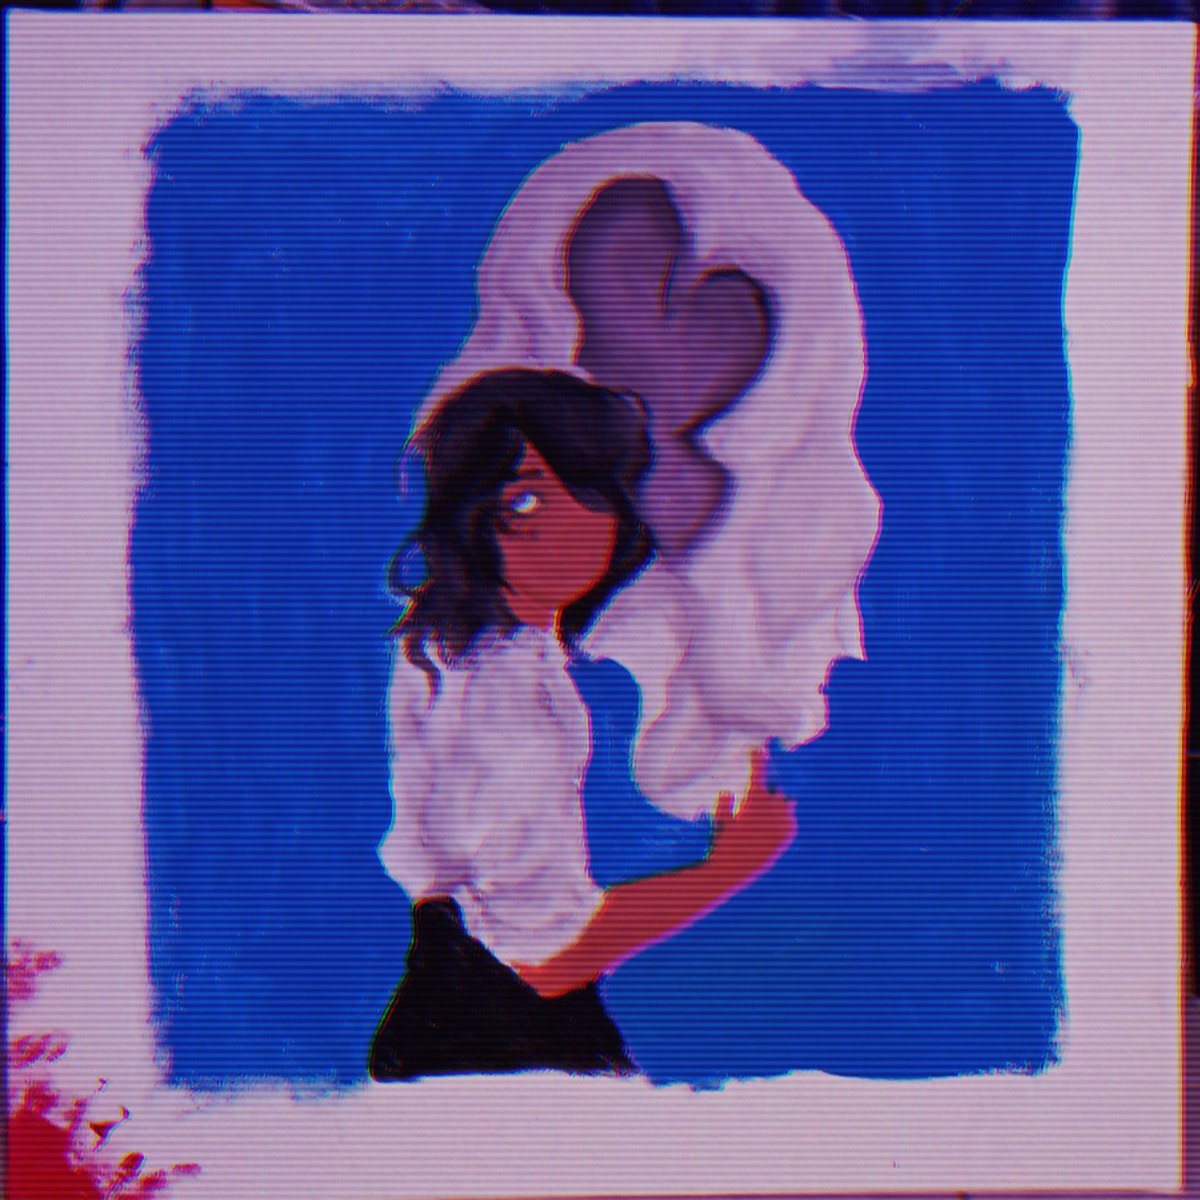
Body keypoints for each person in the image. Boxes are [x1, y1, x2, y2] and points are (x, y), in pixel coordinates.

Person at [369, 367, 797, 1081]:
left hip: (456, 1020)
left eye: (590, 493)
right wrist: (729, 868)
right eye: (525, 499)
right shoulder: (504, 692)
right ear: (471, 515)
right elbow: (546, 960)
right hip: (501, 1040)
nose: (570, 528)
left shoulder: (446, 650)